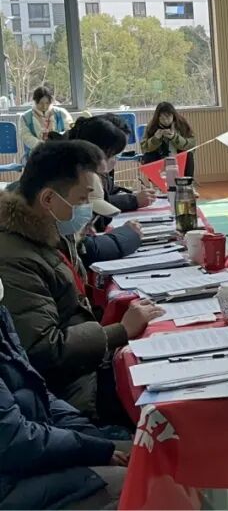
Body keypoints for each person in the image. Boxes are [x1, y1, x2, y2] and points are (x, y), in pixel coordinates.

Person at [0, 140, 163, 422]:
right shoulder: (14, 258)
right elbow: (43, 350)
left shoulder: (45, 233)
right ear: (48, 199)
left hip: (84, 371)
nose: (87, 209)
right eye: (82, 199)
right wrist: (119, 331)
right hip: (69, 393)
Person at [1, 280, 130, 510]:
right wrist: (93, 450)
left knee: (156, 453)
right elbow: (15, 440)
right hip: (13, 484)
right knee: (146, 481)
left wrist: (92, 438)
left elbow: (37, 393)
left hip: (34, 456)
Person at [65, 115, 155, 215]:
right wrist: (133, 200)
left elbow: (108, 190)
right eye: (114, 154)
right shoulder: (77, 173)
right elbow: (93, 204)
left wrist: (132, 195)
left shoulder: (98, 169)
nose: (115, 160)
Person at [140, 102, 195, 176]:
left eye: (168, 117)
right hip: (159, 158)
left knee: (188, 154)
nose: (165, 121)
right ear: (157, 118)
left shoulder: (182, 124)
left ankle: (186, 181)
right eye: (162, 118)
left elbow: (191, 144)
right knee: (148, 156)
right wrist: (155, 139)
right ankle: (157, 180)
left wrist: (174, 137)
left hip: (179, 157)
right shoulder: (152, 126)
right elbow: (144, 148)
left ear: (173, 115)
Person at [17, 85, 74, 156]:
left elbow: (69, 131)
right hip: (37, 152)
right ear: (35, 101)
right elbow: (26, 136)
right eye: (41, 103)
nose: (44, 106)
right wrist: (42, 146)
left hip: (59, 150)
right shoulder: (25, 117)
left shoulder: (61, 113)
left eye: (47, 103)